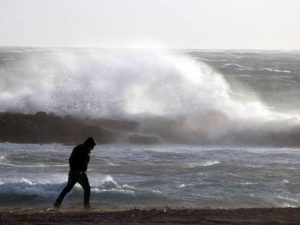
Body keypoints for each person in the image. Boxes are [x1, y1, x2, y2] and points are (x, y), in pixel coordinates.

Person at [54, 137, 96, 209]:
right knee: (87, 188)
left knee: (67, 188)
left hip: (72, 171)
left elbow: (70, 159)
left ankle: (57, 203)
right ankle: (86, 206)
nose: (93, 148)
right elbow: (83, 161)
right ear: (90, 144)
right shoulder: (86, 149)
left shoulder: (77, 147)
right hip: (79, 173)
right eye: (93, 146)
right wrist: (80, 171)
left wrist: (72, 168)